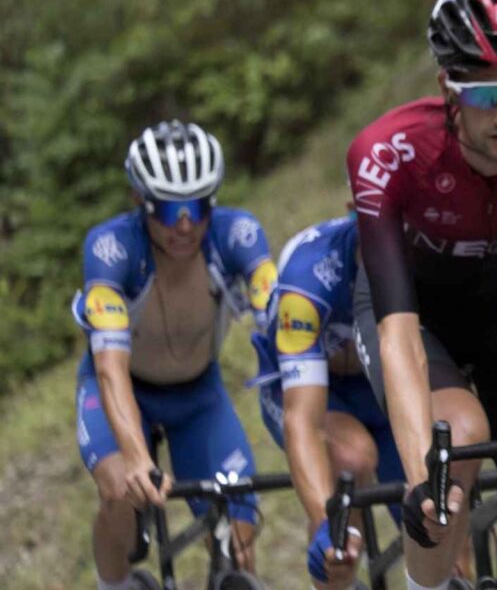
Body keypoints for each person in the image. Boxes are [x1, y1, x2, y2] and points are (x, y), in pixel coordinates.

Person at [346, 0, 497, 589]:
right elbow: (398, 335)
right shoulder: (389, 152)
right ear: (447, 87)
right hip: (417, 316)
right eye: (480, 96)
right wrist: (422, 477)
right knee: (455, 446)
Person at [73, 120, 278, 589]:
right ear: (141, 203)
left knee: (241, 533)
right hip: (125, 389)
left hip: (197, 394)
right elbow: (108, 366)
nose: (185, 224)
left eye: (198, 205)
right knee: (120, 490)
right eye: (168, 210)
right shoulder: (111, 249)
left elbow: (279, 312)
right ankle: (118, 583)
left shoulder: (239, 234)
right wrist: (136, 456)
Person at [249, 215, 403, 589]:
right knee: (349, 460)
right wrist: (325, 524)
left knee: (444, 530)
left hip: (375, 383)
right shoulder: (310, 274)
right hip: (311, 387)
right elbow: (304, 422)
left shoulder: (426, 254)